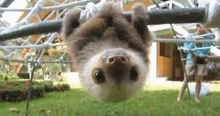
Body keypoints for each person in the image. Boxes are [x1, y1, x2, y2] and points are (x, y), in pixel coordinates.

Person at [177, 24, 212, 102]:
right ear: (198, 28)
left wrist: (202, 52)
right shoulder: (190, 36)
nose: (204, 30)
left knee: (199, 79)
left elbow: (208, 49)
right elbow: (185, 50)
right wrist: (193, 41)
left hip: (202, 59)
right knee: (187, 78)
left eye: (205, 28)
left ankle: (197, 98)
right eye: (202, 28)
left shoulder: (207, 37)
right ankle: (179, 97)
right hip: (191, 59)